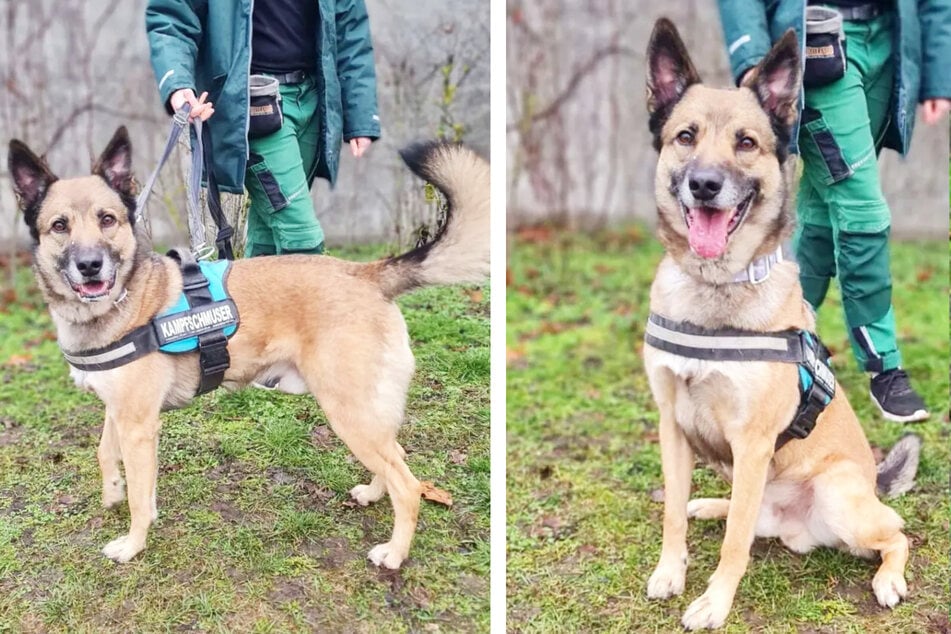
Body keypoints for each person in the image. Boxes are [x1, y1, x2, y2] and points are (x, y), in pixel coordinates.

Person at [717, 0, 951, 422]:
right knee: (862, 208)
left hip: (890, 42)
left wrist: (937, 72)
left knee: (825, 205)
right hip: (818, 44)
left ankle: (782, 336)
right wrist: (752, 57)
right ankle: (884, 365)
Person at [145, 0, 381, 257]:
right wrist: (178, 85)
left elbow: (351, 29)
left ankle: (246, 297)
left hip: (314, 100)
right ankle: (315, 297)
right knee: (301, 236)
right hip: (253, 105)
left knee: (267, 237)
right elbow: (173, 15)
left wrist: (360, 115)